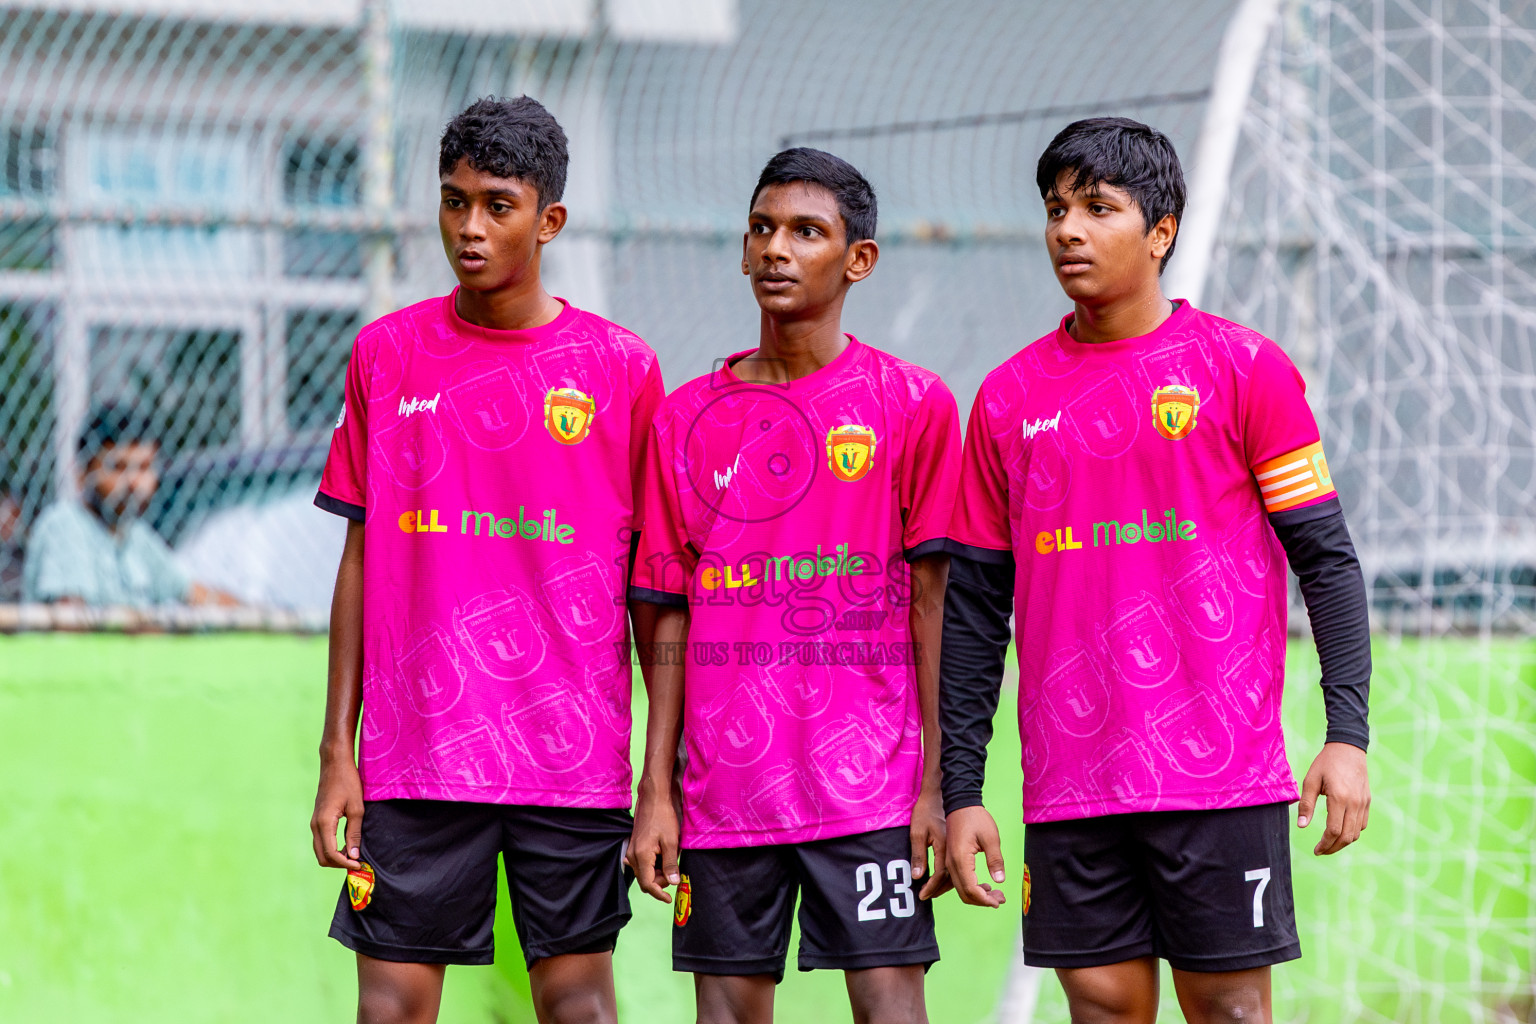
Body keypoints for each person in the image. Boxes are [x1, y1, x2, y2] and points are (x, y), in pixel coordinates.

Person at [940, 117, 1372, 1024]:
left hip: (1218, 780)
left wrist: (1347, 736)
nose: (1068, 229)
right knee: (1101, 1014)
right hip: (1070, 787)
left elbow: (1324, 560)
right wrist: (963, 791)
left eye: (1099, 208)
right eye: (1057, 209)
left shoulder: (1243, 369)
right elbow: (976, 609)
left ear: (1161, 232)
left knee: (1231, 1013)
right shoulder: (1008, 397)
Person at [308, 95, 664, 1024]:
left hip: (571, 756)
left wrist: (659, 777)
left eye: (497, 204)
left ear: (549, 220)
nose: (469, 227)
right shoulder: (387, 354)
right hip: (414, 755)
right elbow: (358, 559)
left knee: (580, 1006)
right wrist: (335, 752)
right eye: (453, 200)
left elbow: (655, 581)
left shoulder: (621, 368)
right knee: (390, 1009)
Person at [625, 148, 960, 1024]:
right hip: (725, 797)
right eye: (763, 230)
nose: (777, 249)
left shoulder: (913, 404)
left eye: (806, 232)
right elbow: (663, 613)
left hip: (874, 789)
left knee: (892, 1010)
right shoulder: (685, 418)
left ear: (859, 259)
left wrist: (938, 784)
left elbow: (935, 606)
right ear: (742, 251)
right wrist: (655, 789)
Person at [23, 404, 234, 607]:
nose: (133, 483)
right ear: (83, 475)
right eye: (118, 467)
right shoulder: (65, 525)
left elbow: (195, 594)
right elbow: (71, 626)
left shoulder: (135, 536)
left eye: (143, 467)